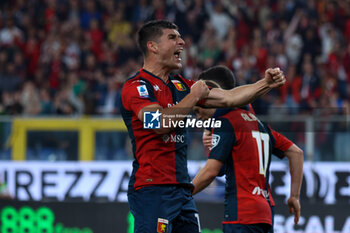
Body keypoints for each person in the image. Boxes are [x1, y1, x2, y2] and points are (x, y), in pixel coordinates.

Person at [120, 20, 286, 233]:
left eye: (180, 37)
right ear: (153, 46)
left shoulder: (180, 85)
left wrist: (265, 84)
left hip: (182, 192)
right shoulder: (136, 87)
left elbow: (229, 98)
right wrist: (194, 96)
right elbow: (159, 123)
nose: (182, 42)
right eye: (172, 37)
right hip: (153, 190)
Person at [192, 65, 304, 233]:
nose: (199, 116)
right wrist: (294, 196)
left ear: (216, 94)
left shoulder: (227, 123)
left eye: (199, 109)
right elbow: (296, 153)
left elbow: (211, 171)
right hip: (265, 213)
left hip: (241, 215)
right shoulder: (259, 124)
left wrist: (183, 193)